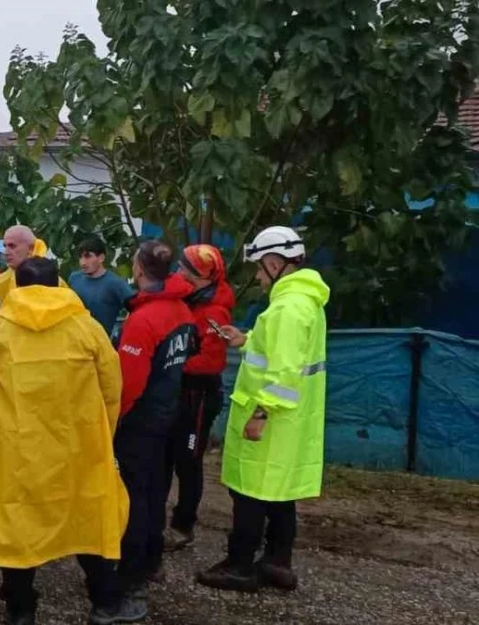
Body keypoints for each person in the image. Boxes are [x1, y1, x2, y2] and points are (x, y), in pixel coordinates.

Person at [0, 257, 129, 625]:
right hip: (79, 450)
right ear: (59, 283)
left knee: (16, 531)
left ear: (15, 284)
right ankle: (104, 602)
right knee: (88, 521)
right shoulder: (87, 328)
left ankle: (21, 608)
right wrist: (101, 435)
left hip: (16, 452)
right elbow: (112, 389)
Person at [196, 226, 329, 593]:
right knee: (280, 495)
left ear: (274, 263)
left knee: (250, 495)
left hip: (270, 419)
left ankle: (239, 567)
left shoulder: (287, 308)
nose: (257, 275)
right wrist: (246, 338)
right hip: (291, 422)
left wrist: (261, 413)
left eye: (258, 267)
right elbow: (286, 351)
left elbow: (284, 370)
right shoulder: (305, 303)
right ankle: (276, 563)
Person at [110, 240, 196, 621]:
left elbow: (128, 384)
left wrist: (112, 421)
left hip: (141, 419)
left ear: (140, 270)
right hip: (168, 413)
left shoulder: (144, 320)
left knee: (134, 500)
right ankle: (148, 563)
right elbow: (189, 353)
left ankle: (131, 581)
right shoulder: (181, 310)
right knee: (153, 492)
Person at [163, 244, 236, 551]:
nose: (179, 273)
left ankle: (183, 525)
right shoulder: (187, 301)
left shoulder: (213, 311)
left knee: (189, 462)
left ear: (203, 278)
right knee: (167, 457)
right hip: (179, 392)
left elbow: (212, 362)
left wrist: (171, 362)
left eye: (186, 270)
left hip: (199, 397)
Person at [68, 236, 134, 336]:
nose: (83, 262)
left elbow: (136, 309)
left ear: (101, 258)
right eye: (80, 257)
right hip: (74, 339)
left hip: (101, 343)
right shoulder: (74, 278)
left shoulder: (116, 283)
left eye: (88, 256)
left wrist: (123, 332)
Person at [0, 225, 64, 304]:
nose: (6, 252)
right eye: (5, 246)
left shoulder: (55, 282)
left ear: (31, 248)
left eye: (12, 246)